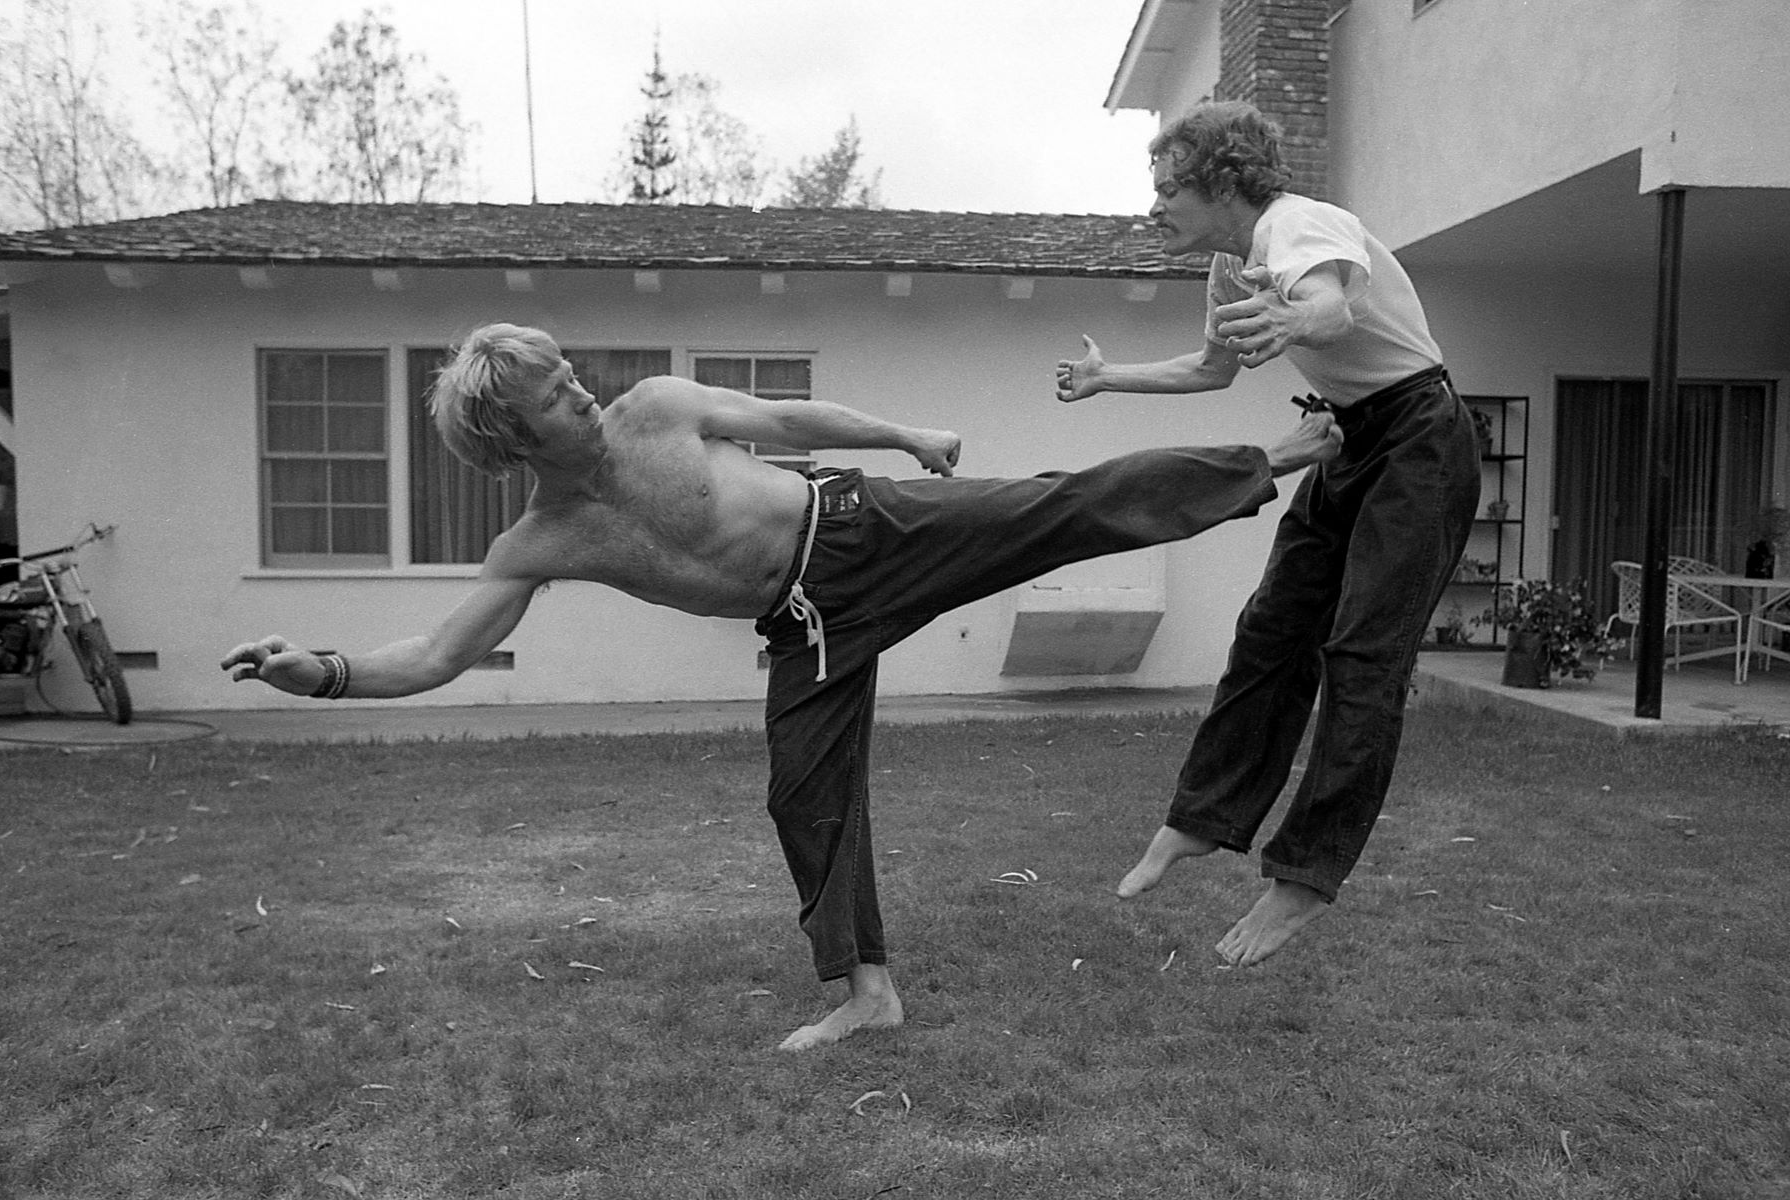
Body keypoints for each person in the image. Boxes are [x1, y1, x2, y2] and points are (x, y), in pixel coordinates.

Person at [222, 321, 1341, 1050]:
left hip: (864, 527)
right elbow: (434, 658)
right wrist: (316, 674)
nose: (581, 389)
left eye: (570, 371)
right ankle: (865, 989)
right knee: (801, 793)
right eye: (555, 393)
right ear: (511, 434)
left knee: (1053, 509)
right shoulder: (542, 541)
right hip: (804, 624)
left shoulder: (657, 407)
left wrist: (905, 432)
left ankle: (1276, 460)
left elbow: (793, 423)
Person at [1056, 101, 1481, 967]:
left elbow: (1327, 306)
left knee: (1362, 654)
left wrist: (1291, 321)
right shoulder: (1230, 266)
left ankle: (1305, 878)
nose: (1156, 205)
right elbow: (1212, 369)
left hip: (1421, 440)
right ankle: (1202, 819)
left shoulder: (1300, 225)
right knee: (1270, 631)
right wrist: (1109, 380)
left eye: (1170, 187)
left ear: (1223, 181)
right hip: (1350, 437)